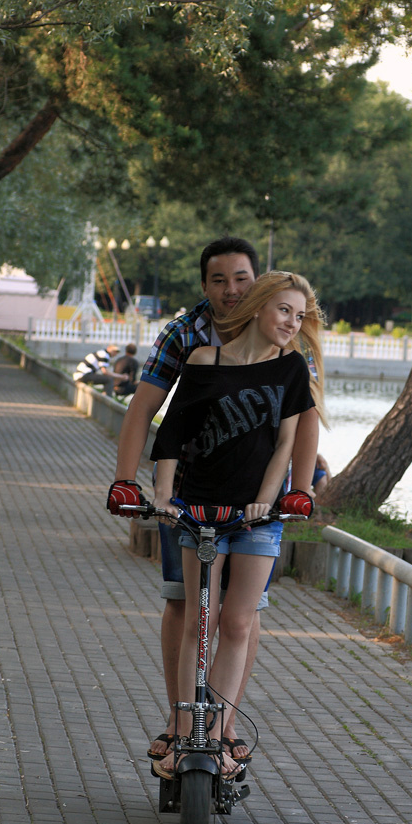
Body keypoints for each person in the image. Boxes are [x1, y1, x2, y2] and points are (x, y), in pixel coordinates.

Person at [107, 237, 320, 761]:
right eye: (219, 280)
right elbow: (151, 413)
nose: (231, 289)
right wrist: (130, 482)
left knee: (242, 616)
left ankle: (222, 728)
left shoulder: (290, 347)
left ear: (257, 282)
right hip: (192, 497)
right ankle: (182, 724)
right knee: (186, 606)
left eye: (241, 278)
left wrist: (298, 489)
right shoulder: (187, 335)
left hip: (255, 506)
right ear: (204, 285)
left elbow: (301, 426)